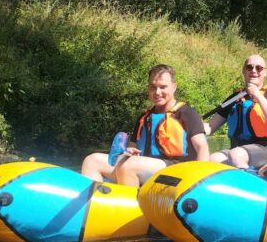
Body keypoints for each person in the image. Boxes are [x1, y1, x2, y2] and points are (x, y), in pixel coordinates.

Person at [81, 64, 210, 186]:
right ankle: (97, 200)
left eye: (163, 87)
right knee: (92, 161)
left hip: (176, 172)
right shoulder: (144, 117)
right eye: (153, 87)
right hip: (142, 169)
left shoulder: (187, 113)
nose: (157, 92)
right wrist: (128, 151)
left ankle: (130, 201)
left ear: (174, 87)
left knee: (129, 165)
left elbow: (202, 148)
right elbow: (132, 148)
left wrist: (198, 180)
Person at [204, 54, 267, 169]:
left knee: (237, 154)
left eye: (259, 68)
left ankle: (248, 178)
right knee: (212, 159)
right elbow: (210, 127)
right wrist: (192, 126)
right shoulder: (235, 98)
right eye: (249, 67)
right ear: (243, 71)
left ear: (265, 72)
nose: (253, 71)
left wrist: (257, 95)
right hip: (238, 150)